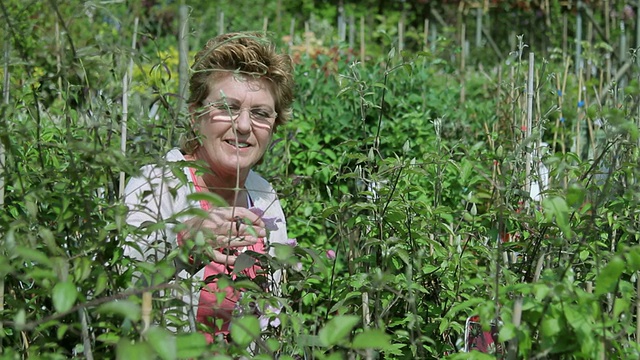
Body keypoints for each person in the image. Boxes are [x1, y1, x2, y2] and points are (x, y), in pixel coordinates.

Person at [123, 31, 294, 344]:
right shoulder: (155, 187)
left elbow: (272, 318)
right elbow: (115, 289)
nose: (243, 126)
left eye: (260, 114)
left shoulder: (265, 196)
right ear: (195, 114)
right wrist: (182, 246)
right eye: (227, 108)